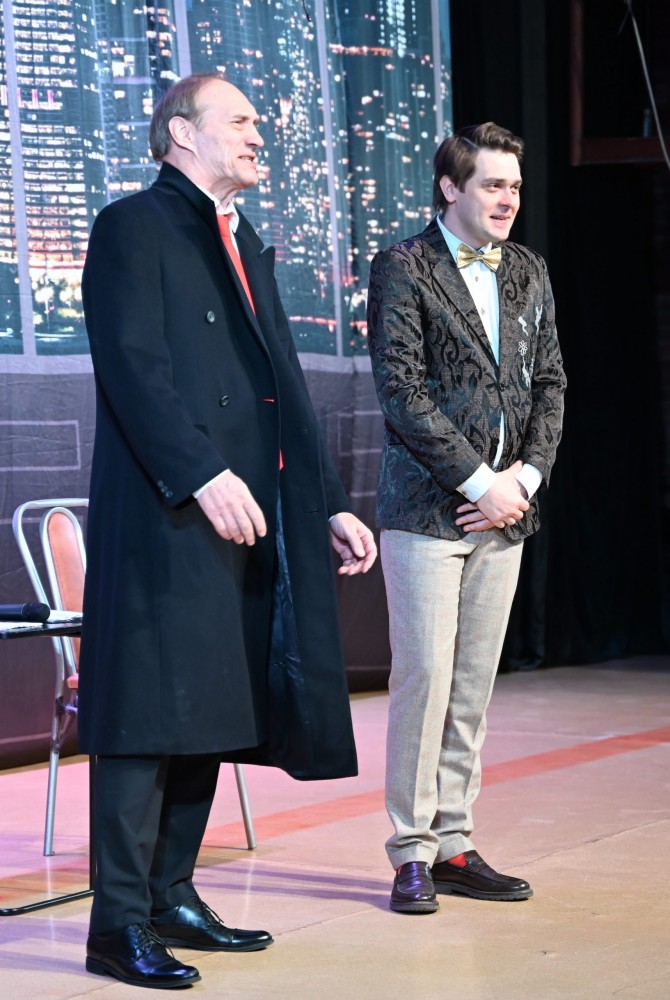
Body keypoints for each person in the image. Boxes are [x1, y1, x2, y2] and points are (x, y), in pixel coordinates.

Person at [78, 71, 377, 989]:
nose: (258, 134)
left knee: (207, 709)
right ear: (182, 133)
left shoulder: (240, 237)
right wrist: (202, 473)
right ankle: (116, 923)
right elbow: (132, 366)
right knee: (145, 716)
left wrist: (326, 500)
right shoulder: (133, 225)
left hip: (244, 519)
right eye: (240, 120)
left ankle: (172, 893)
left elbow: (281, 382)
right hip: (170, 511)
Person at [366, 122, 566, 914]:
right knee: (425, 679)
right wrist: (480, 482)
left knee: (474, 685)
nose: (508, 198)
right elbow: (402, 392)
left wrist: (525, 478)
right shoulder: (403, 266)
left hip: (505, 512)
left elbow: (550, 382)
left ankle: (454, 843)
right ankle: (411, 851)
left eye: (514, 185)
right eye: (492, 184)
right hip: (428, 509)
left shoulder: (529, 269)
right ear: (451, 187)